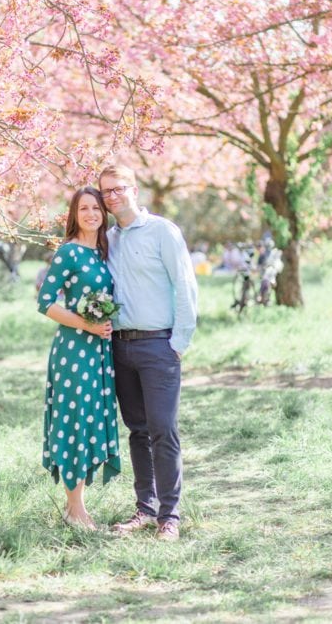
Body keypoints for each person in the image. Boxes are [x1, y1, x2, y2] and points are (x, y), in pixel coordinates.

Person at [98, 165, 198, 542]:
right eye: (105, 192)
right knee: (137, 431)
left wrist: (179, 343)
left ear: (134, 190)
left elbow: (185, 284)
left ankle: (169, 516)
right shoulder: (108, 239)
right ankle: (145, 508)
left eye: (117, 189)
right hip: (120, 347)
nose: (111, 197)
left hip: (159, 345)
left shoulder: (162, 231)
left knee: (163, 430)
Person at [36, 187, 121, 530]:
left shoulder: (103, 253)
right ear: (74, 214)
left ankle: (77, 508)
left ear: (103, 213)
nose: (90, 214)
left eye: (96, 208)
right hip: (73, 352)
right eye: (83, 208)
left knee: (90, 422)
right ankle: (75, 510)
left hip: (99, 351)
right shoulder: (69, 252)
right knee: (74, 422)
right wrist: (86, 323)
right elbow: (45, 302)